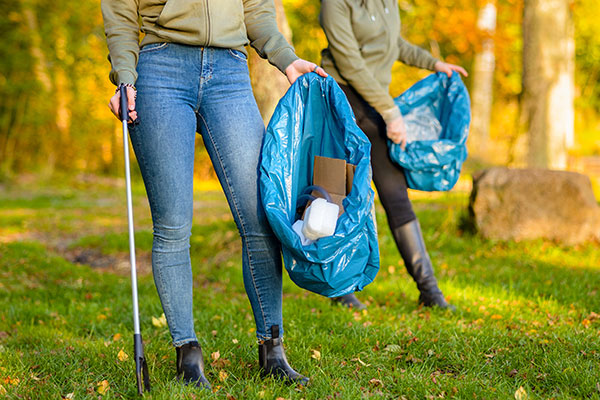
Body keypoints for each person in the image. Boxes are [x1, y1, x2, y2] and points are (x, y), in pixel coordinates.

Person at [101, 0, 327, 388]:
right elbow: (120, 15)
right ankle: (187, 357)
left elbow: (256, 10)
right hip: (160, 70)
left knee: (260, 218)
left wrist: (286, 59)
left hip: (230, 72)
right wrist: (125, 76)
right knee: (173, 225)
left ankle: (272, 352)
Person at [319, 0, 467, 310]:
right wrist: (391, 111)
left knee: (395, 194)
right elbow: (349, 62)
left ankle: (429, 290)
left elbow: (392, 43)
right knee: (337, 195)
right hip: (338, 100)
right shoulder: (334, 3)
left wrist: (433, 63)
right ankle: (339, 289)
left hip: (374, 103)